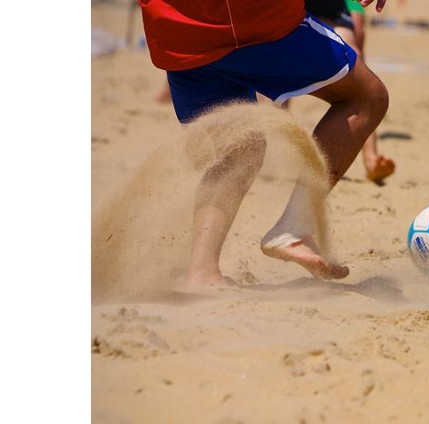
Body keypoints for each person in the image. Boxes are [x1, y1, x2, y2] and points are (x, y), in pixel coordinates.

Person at [138, 0, 390, 286]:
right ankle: (294, 229)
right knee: (367, 97)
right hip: (254, 21)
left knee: (241, 148)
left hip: (177, 32)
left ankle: (202, 272)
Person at [302, 0, 396, 184]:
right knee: (271, 80)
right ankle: (273, 152)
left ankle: (371, 158)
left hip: (334, 7)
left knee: (356, 55)